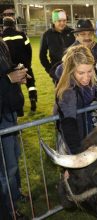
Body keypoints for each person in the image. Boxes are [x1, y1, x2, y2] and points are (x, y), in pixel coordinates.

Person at [0, 37, 29, 219]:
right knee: (6, 169)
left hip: (8, 112)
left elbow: (5, 72)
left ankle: (15, 196)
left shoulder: (1, 43)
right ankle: (9, 211)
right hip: (2, 117)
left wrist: (17, 75)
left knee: (13, 161)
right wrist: (9, 79)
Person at [54, 45, 97, 154]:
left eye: (89, 71)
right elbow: (68, 122)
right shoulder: (68, 91)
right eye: (81, 73)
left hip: (86, 126)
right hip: (73, 135)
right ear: (71, 70)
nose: (87, 77)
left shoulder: (90, 77)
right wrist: (75, 152)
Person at [2, 16, 38, 112]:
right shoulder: (22, 34)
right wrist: (28, 63)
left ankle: (19, 109)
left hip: (10, 66)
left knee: (15, 86)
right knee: (31, 83)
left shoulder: (2, 37)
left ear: (4, 25)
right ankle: (33, 99)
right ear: (14, 24)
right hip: (24, 64)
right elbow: (29, 49)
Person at [39, 9, 75, 81]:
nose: (62, 23)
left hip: (73, 69)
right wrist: (50, 70)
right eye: (59, 21)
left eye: (64, 20)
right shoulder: (47, 35)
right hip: (57, 71)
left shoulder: (72, 32)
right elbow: (42, 55)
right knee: (60, 92)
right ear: (54, 21)